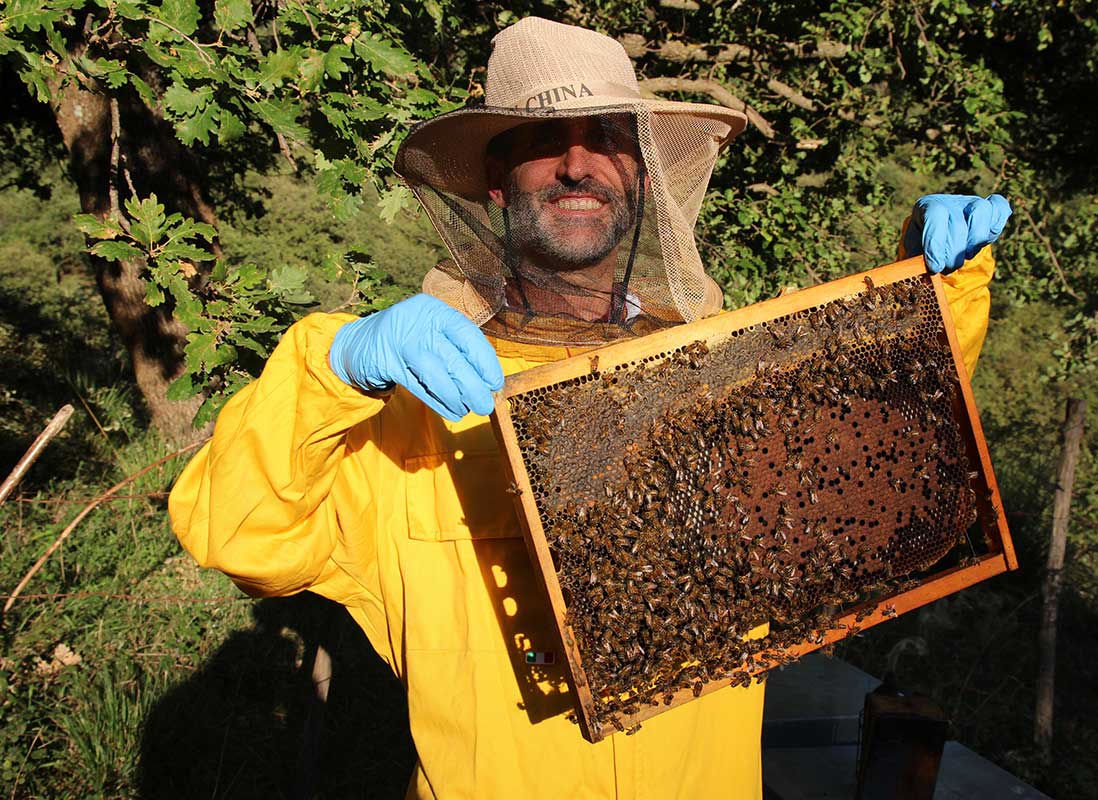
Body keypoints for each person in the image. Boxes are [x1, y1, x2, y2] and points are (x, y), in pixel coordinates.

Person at [169, 16, 1011, 799]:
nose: (578, 165)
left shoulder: (721, 378)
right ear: (497, 184)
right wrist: (334, 362)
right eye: (544, 143)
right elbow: (239, 536)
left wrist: (942, 285)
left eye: (605, 138)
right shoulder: (408, 412)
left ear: (640, 174)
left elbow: (886, 442)